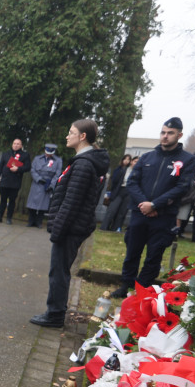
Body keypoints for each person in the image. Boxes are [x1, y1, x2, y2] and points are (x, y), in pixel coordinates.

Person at [30, 120, 110, 328]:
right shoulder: (83, 161)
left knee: (59, 271)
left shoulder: (83, 164)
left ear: (82, 136)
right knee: (59, 270)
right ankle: (55, 311)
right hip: (73, 226)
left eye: (71, 132)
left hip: (71, 227)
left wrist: (58, 229)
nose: (67, 136)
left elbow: (71, 201)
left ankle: (55, 315)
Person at [110, 118, 195, 297]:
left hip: (164, 215)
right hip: (140, 213)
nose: (165, 136)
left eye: (170, 133)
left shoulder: (187, 160)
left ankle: (141, 290)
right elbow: (133, 182)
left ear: (179, 135)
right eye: (163, 132)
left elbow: (183, 187)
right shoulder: (148, 157)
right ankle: (125, 285)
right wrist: (145, 204)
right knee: (132, 251)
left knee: (154, 255)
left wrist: (156, 204)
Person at [0, 138, 31, 223]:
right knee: (3, 200)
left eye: (18, 144)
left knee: (12, 201)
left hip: (15, 182)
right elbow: (0, 167)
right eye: (14, 143)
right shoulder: (6, 154)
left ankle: (9, 218)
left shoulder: (25, 155)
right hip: (4, 181)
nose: (16, 145)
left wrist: (18, 169)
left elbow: (28, 167)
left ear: (21, 145)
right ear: (12, 144)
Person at [26, 144, 62, 228]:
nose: (48, 154)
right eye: (47, 152)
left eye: (50, 153)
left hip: (47, 184)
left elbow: (57, 174)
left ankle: (39, 222)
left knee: (43, 205)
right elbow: (32, 170)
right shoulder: (37, 158)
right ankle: (31, 221)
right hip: (37, 182)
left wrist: (52, 184)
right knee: (32, 203)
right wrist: (38, 179)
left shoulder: (58, 161)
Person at [100, 154, 132, 231]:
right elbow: (114, 180)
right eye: (125, 159)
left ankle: (116, 228)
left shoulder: (131, 170)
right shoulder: (119, 169)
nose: (126, 161)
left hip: (128, 191)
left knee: (122, 212)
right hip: (118, 191)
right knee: (112, 210)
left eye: (128, 159)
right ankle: (104, 227)